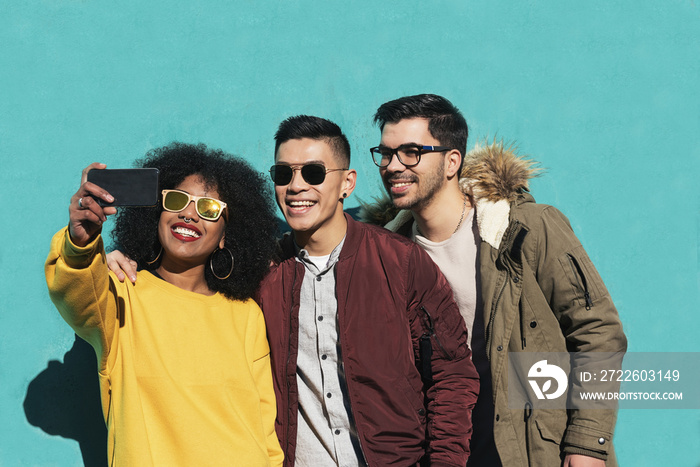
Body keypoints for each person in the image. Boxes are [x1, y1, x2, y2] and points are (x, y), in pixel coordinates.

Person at [362, 94, 627, 467]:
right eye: (386, 153)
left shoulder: (525, 230)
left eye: (410, 152)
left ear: (452, 161)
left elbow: (598, 332)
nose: (392, 166)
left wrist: (587, 444)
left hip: (529, 447)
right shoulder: (386, 254)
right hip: (445, 448)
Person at [257, 115, 479, 467]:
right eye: (283, 174)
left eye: (313, 173)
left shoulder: (401, 262)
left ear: (347, 183)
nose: (296, 186)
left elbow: (451, 373)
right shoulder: (263, 274)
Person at [45, 143, 284, 466]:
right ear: (157, 215)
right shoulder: (121, 293)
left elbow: (264, 431)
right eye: (177, 200)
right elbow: (73, 291)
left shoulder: (245, 315)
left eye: (209, 209)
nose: (189, 214)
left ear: (227, 233)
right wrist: (82, 243)